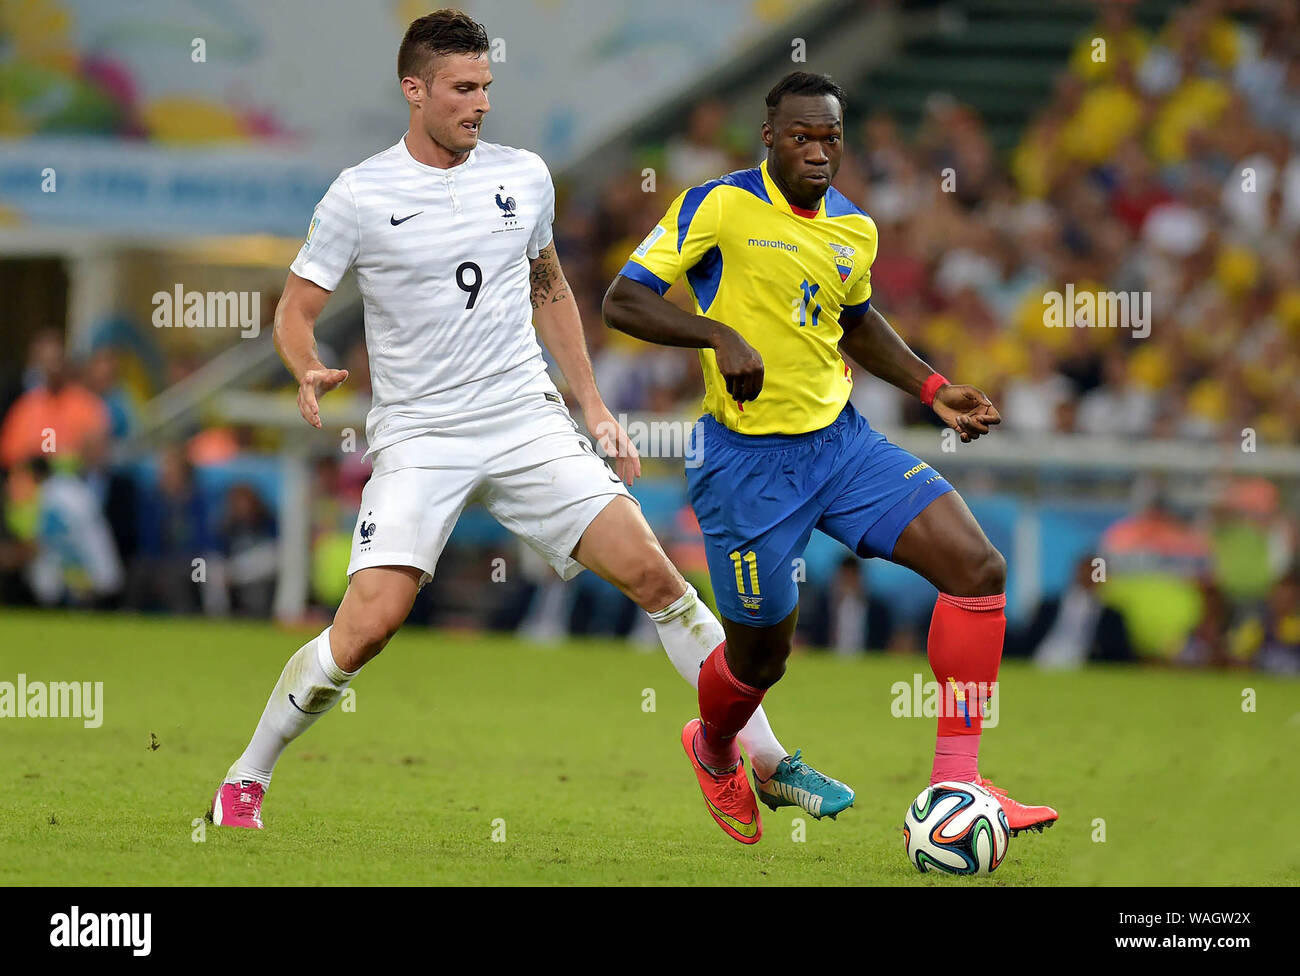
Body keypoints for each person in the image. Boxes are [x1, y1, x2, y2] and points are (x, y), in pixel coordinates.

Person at [211, 11, 850, 830]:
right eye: (462, 89)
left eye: (486, 87)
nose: (480, 103)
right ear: (415, 90)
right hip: (422, 435)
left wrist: (593, 410)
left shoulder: (524, 175)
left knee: (657, 577)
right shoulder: (361, 193)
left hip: (524, 419)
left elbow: (550, 291)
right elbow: (296, 311)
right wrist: (305, 366)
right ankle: (247, 775)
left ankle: (763, 760)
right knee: (368, 626)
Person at [604, 71, 1058, 844]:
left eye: (831, 138)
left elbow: (854, 321)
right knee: (760, 659)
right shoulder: (720, 205)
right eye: (802, 137)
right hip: (745, 466)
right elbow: (623, 299)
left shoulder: (854, 229)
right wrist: (718, 334)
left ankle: (958, 782)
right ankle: (715, 747)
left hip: (841, 447)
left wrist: (933, 385)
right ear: (769, 138)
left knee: (977, 569)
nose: (818, 151)